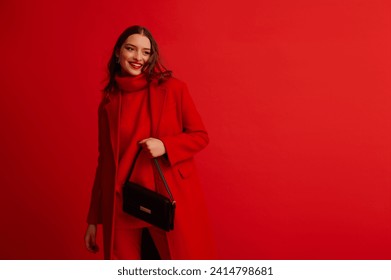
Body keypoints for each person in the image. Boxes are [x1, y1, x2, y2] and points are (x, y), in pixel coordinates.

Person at [84, 25, 214, 259]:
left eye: (145, 52)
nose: (138, 58)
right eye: (131, 49)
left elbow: (200, 136)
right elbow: (104, 161)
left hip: (165, 197)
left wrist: (166, 146)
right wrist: (94, 219)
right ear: (118, 52)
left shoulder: (173, 89)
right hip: (123, 203)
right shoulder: (108, 104)